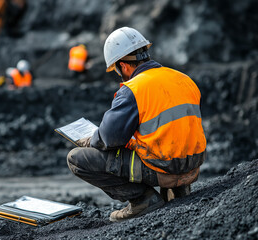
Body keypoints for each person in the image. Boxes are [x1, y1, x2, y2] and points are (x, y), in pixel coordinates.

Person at [66, 27, 207, 222]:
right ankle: (179, 190)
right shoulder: (184, 79)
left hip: (164, 169)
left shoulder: (134, 89)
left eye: (116, 69)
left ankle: (143, 200)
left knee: (76, 158)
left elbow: (109, 138)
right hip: (192, 167)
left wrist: (91, 139)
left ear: (123, 66)